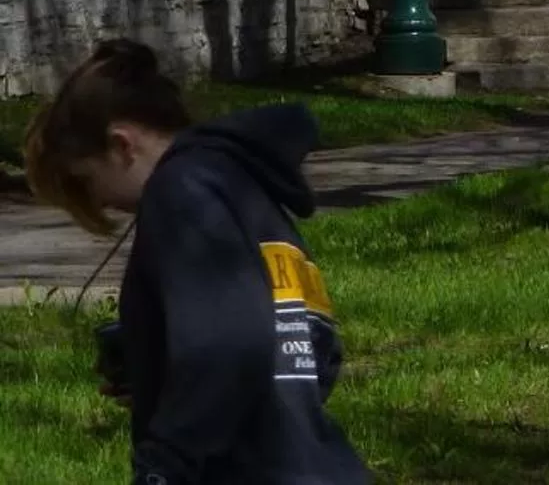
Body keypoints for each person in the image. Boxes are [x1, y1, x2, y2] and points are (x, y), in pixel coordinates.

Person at [22, 40, 372, 485]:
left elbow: (230, 341)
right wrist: (163, 372)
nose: (102, 201)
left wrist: (166, 462)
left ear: (122, 145)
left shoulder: (178, 191)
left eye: (87, 181)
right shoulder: (245, 187)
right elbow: (317, 346)